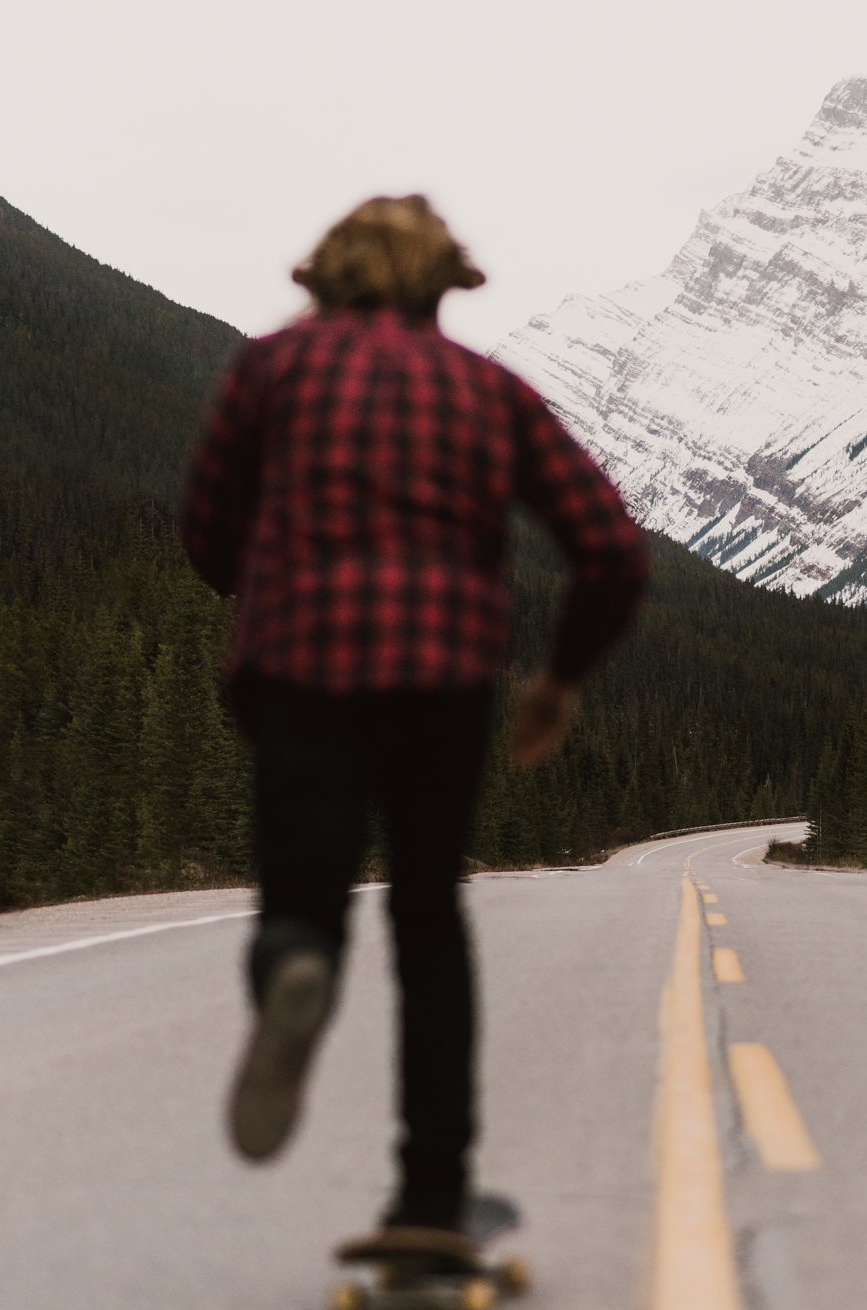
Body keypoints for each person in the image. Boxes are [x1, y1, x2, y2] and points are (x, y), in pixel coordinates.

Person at [176, 195, 648, 1240]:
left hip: (297, 670)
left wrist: (258, 588)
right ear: (444, 283)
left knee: (302, 894)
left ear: (326, 275)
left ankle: (295, 965)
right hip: (440, 682)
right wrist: (557, 678)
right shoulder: (487, 390)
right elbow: (609, 550)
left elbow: (205, 528)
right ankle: (431, 1198)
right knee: (427, 917)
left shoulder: (267, 371)